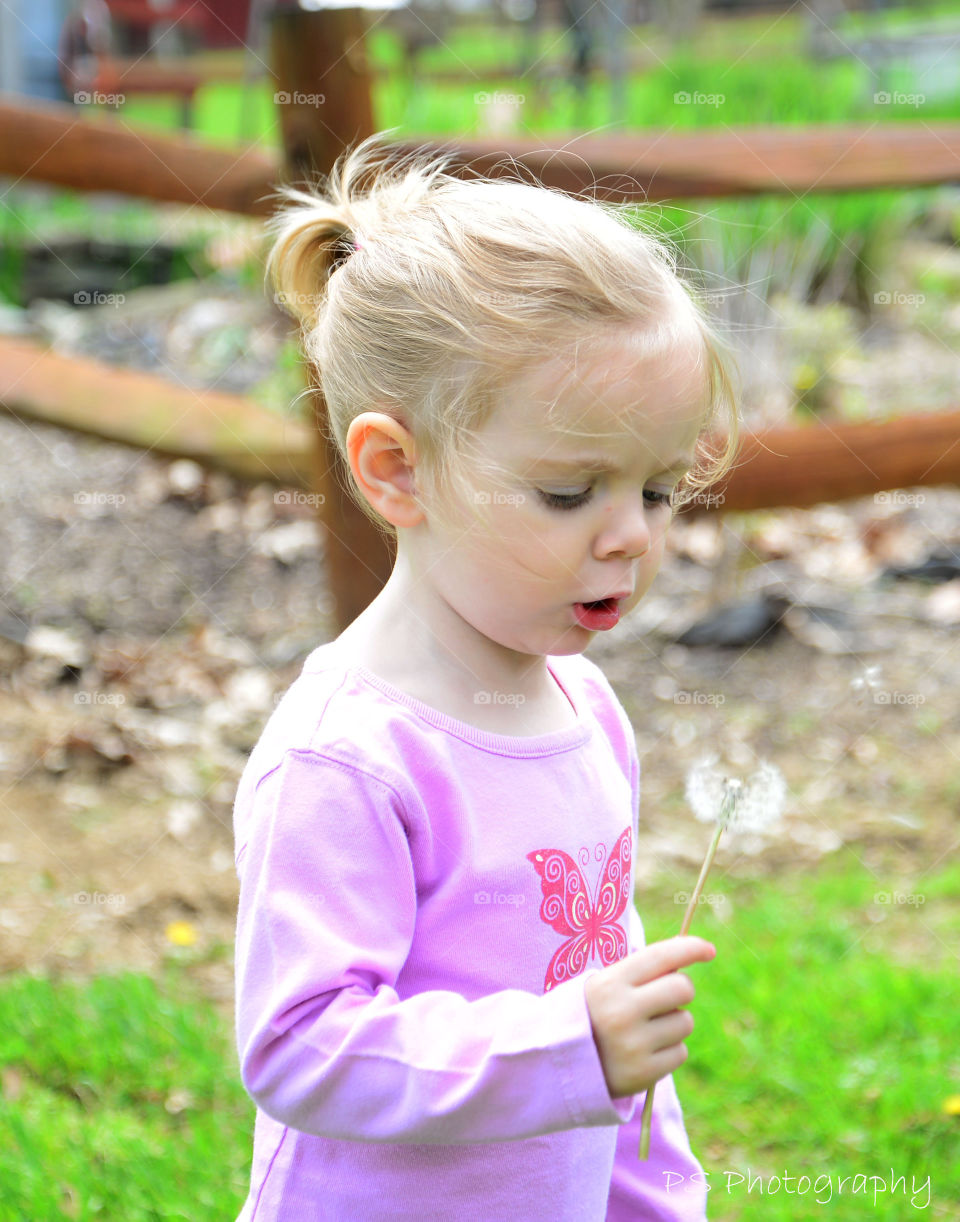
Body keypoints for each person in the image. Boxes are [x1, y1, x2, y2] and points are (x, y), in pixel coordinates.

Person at [232, 132, 740, 1221]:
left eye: (657, 489)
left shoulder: (584, 707)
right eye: (571, 493)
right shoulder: (350, 758)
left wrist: (655, 1195)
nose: (631, 540)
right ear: (396, 469)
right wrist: (572, 1045)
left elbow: (611, 996)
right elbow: (298, 1046)